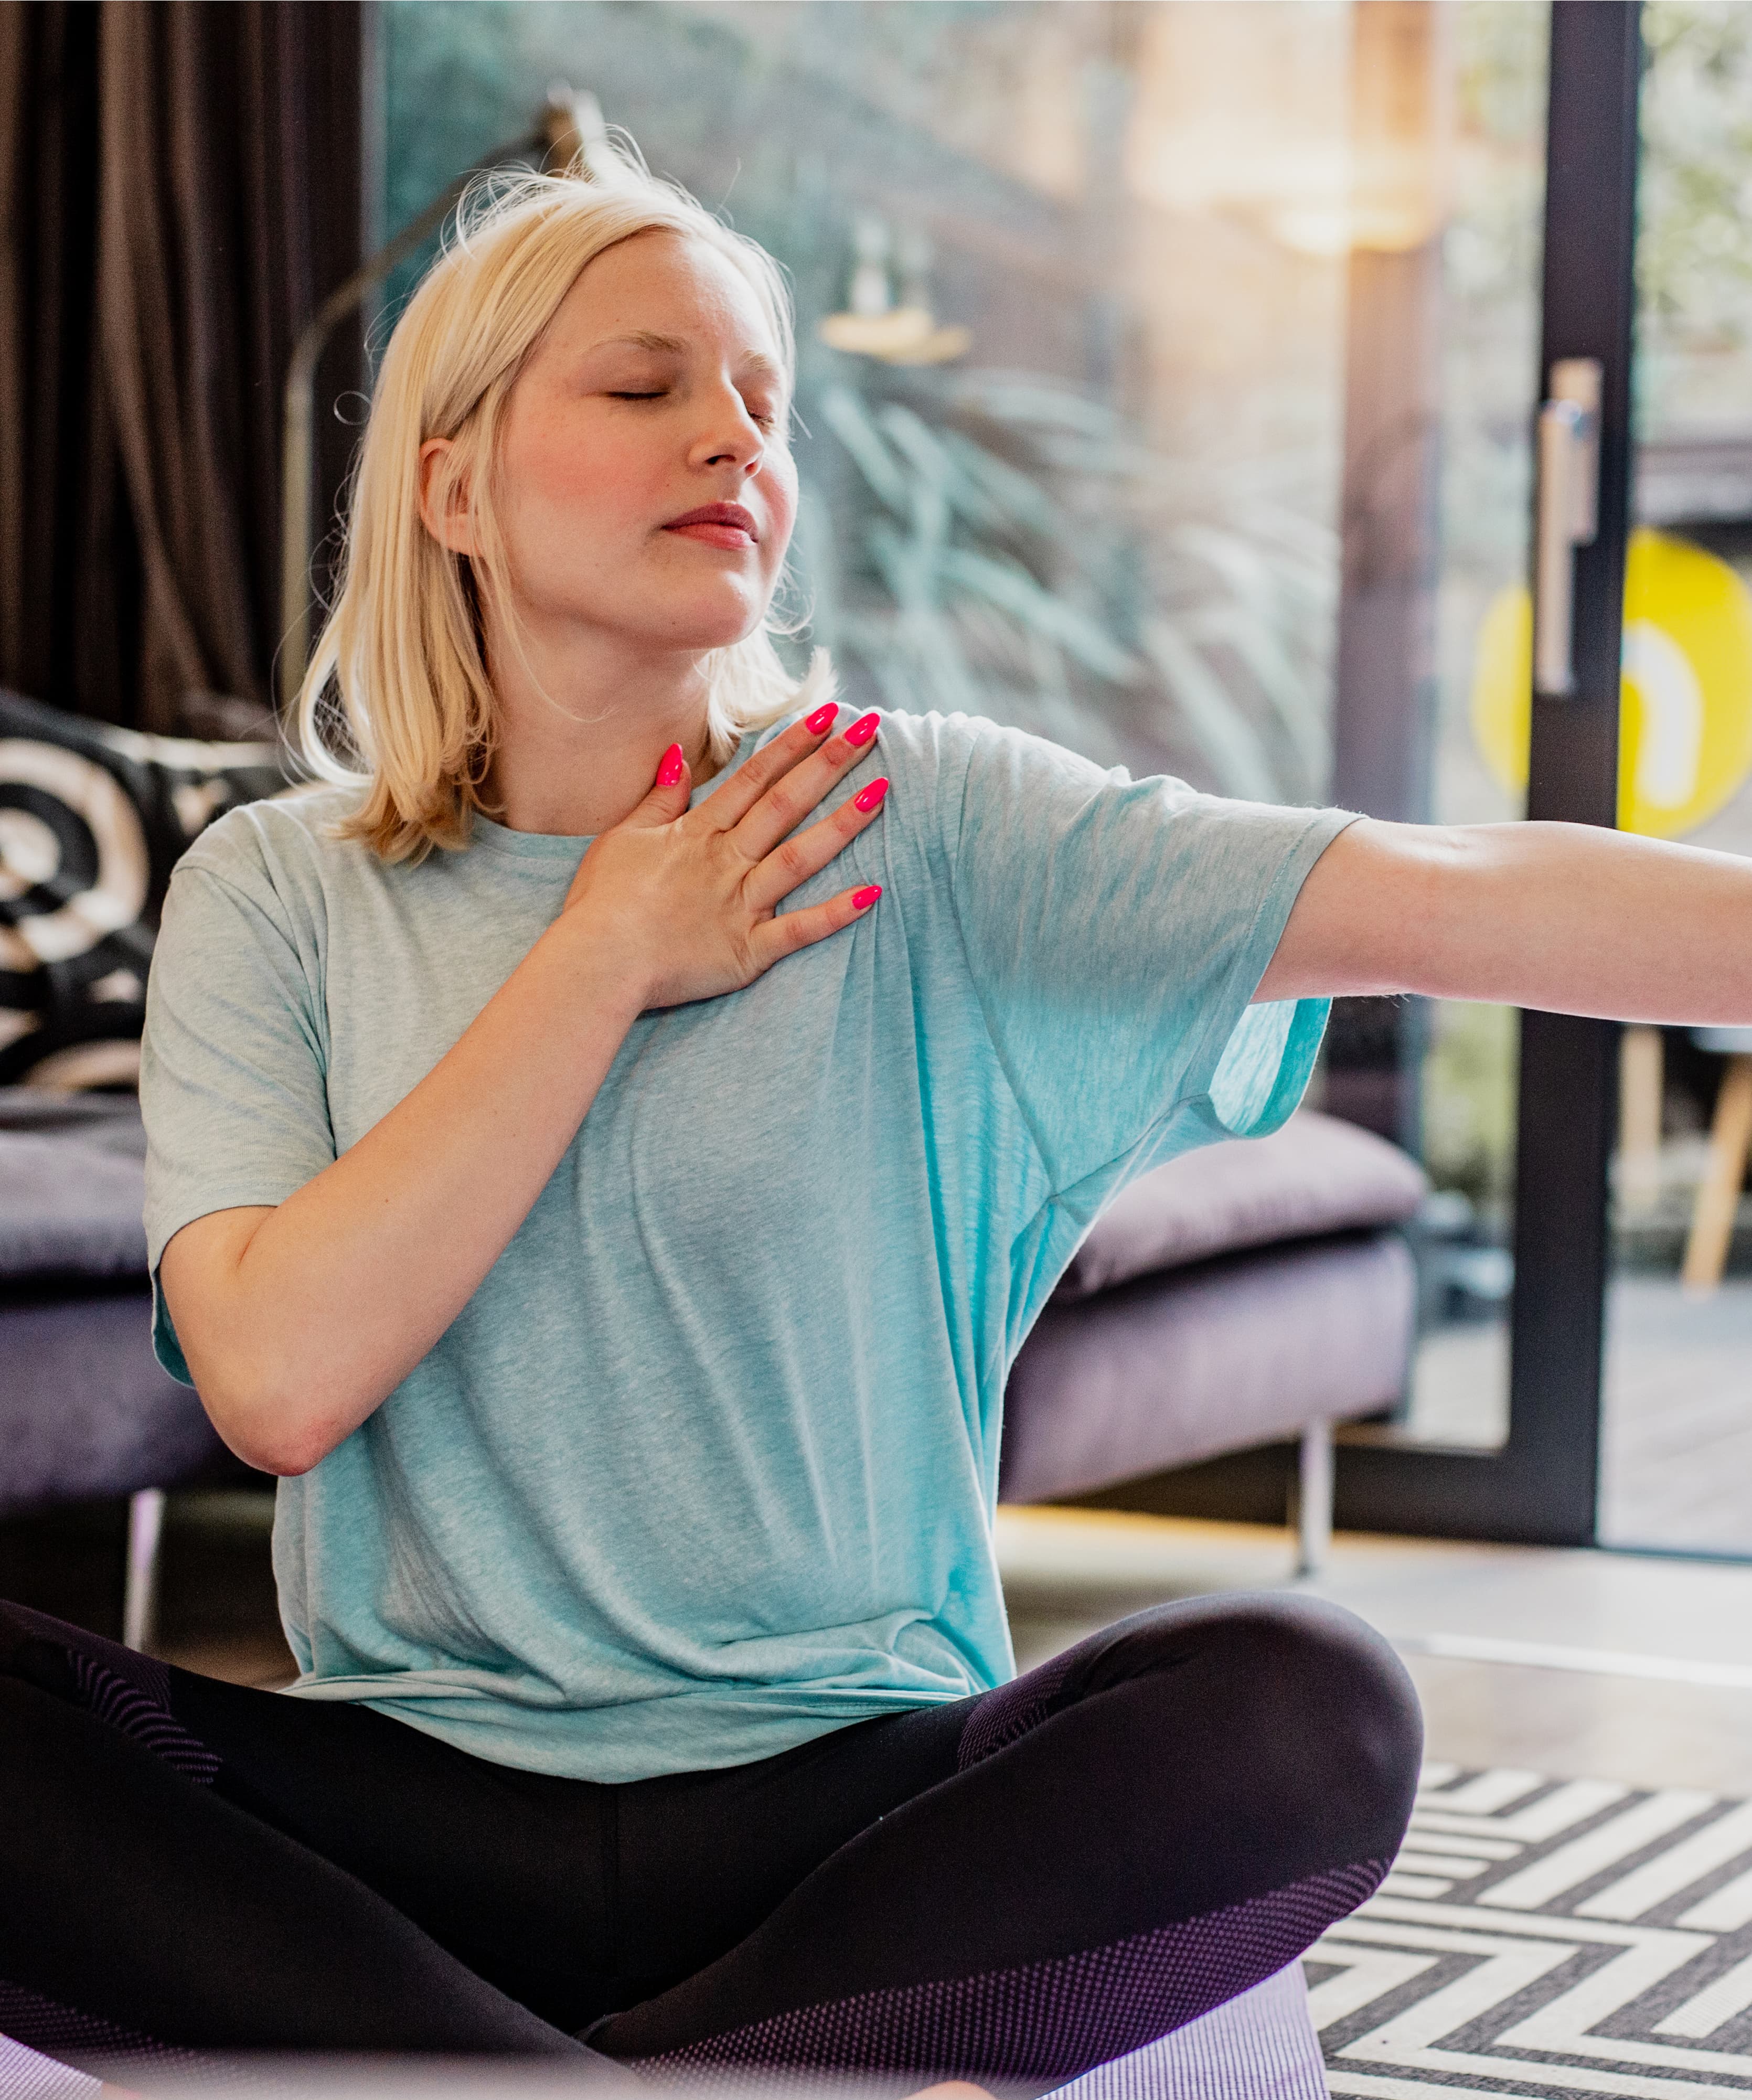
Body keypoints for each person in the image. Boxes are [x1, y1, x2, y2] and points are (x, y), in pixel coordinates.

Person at [3, 145, 1746, 2094]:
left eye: (763, 398)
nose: (730, 435)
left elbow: (1449, 890)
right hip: (405, 1810)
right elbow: (280, 1384)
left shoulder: (917, 824)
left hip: (848, 1808)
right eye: (644, 383)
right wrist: (603, 951)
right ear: (452, 483)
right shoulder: (280, 889)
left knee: (1310, 1697)